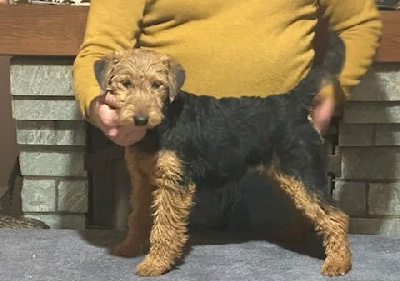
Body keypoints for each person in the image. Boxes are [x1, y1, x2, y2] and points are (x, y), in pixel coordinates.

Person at [73, 0, 381, 230]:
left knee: (286, 272)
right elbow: (102, 47)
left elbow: (359, 22)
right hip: (168, 141)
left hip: (273, 139)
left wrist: (331, 92)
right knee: (158, 272)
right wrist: (99, 105)